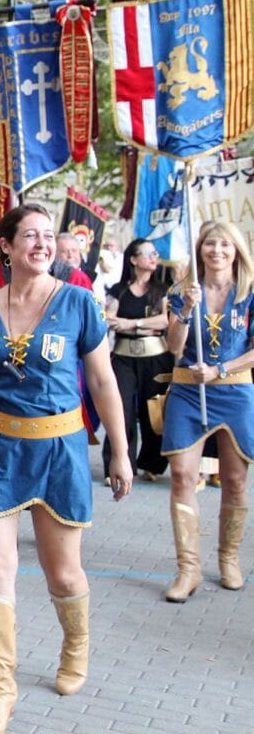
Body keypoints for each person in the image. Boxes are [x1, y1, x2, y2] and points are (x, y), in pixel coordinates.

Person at [0, 203, 131, 734]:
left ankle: (75, 647)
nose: (41, 243)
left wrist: (118, 451)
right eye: (29, 235)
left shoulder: (79, 302)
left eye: (47, 235)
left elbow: (102, 383)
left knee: (62, 572)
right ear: (5, 246)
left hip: (60, 450)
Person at [160, 220, 254, 602]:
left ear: (237, 252)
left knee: (234, 480)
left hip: (234, 391)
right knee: (182, 475)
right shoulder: (182, 292)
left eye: (225, 245)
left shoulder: (250, 293)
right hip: (186, 388)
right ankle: (188, 569)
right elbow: (173, 345)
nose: (217, 251)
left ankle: (229, 559)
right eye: (210, 244)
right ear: (200, 250)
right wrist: (185, 308)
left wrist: (221, 369)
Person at [104, 239, 172, 482]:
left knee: (153, 410)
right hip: (123, 357)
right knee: (120, 408)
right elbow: (110, 319)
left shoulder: (162, 290)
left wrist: (132, 324)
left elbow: (165, 321)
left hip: (156, 357)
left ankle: (152, 464)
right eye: (147, 253)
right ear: (133, 259)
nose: (153, 257)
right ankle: (118, 462)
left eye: (155, 253)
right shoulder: (118, 290)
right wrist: (143, 326)